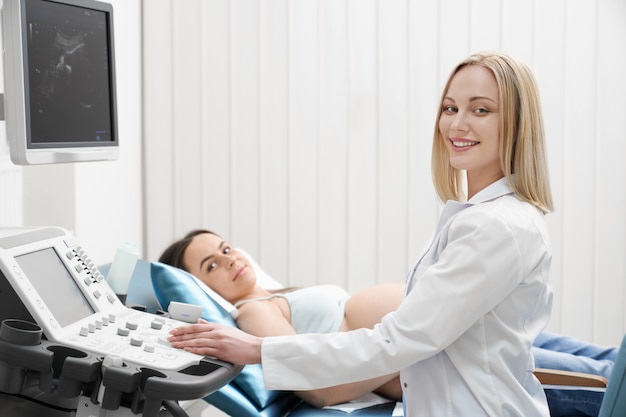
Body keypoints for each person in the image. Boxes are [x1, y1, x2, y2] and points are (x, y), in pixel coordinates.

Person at [166, 52, 576, 416]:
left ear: (518, 122)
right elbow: (382, 357)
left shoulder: (496, 226)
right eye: (450, 107)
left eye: (480, 110)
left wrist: (256, 350)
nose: (457, 123)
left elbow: (400, 341)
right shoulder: (485, 217)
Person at [161, 228, 617, 416]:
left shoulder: (276, 294)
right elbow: (316, 384)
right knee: (606, 384)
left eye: (224, 249)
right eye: (210, 267)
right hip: (446, 355)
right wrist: (415, 338)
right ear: (202, 290)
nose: (228, 260)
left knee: (608, 362)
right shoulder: (252, 312)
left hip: (458, 332)